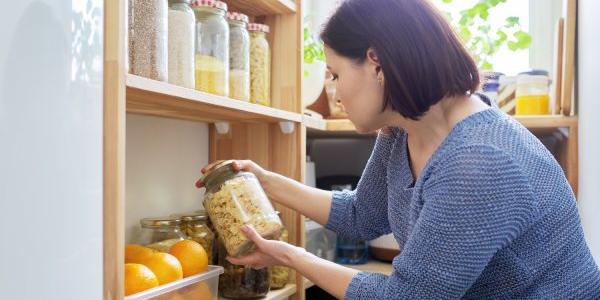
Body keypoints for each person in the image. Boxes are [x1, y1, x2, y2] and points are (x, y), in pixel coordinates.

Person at [196, 0, 600, 298]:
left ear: (376, 63)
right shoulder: (400, 130)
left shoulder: (480, 160)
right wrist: (265, 183)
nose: (333, 92)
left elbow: (407, 298)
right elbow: (361, 215)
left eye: (335, 73)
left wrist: (290, 256)